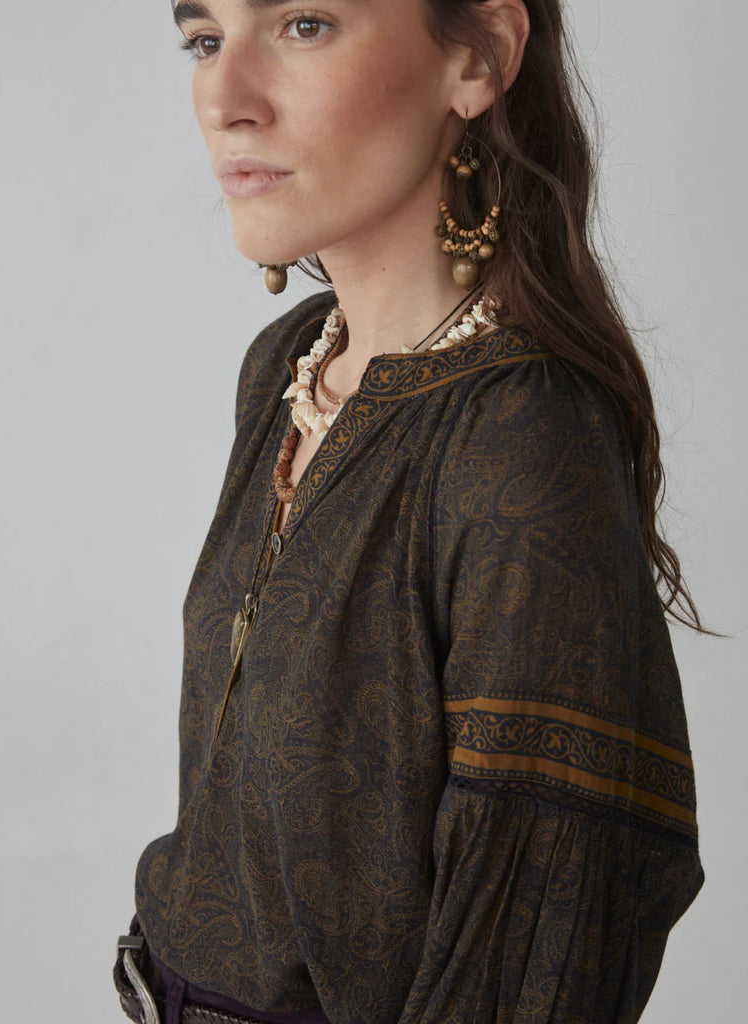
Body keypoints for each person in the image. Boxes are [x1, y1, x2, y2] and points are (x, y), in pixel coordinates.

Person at [114, 1, 705, 1022]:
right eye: (205, 40)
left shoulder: (522, 434)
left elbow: (537, 952)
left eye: (303, 24)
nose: (224, 98)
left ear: (479, 57)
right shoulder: (289, 367)